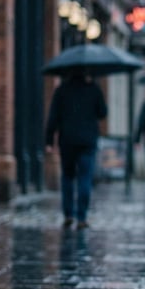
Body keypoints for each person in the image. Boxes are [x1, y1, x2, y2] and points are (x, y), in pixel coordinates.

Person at [45, 70, 108, 229]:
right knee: (84, 177)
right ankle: (82, 216)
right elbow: (103, 113)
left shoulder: (61, 90)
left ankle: (68, 214)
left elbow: (53, 117)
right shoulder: (93, 89)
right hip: (87, 141)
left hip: (67, 140)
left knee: (67, 176)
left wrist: (49, 141)